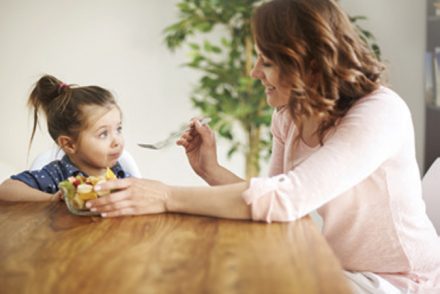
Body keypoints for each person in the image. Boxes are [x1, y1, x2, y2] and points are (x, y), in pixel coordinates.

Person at [86, 0, 440, 292]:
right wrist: (211, 170)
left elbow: (285, 199)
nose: (255, 72)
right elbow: (276, 203)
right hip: (337, 269)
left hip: (400, 283)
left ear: (308, 64)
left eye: (266, 61)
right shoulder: (289, 115)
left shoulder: (381, 112)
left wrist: (164, 195)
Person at [0, 75, 129, 201]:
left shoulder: (117, 170)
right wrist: (51, 199)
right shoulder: (57, 175)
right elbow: (5, 189)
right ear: (69, 144)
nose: (117, 141)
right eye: (103, 134)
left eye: (118, 129)